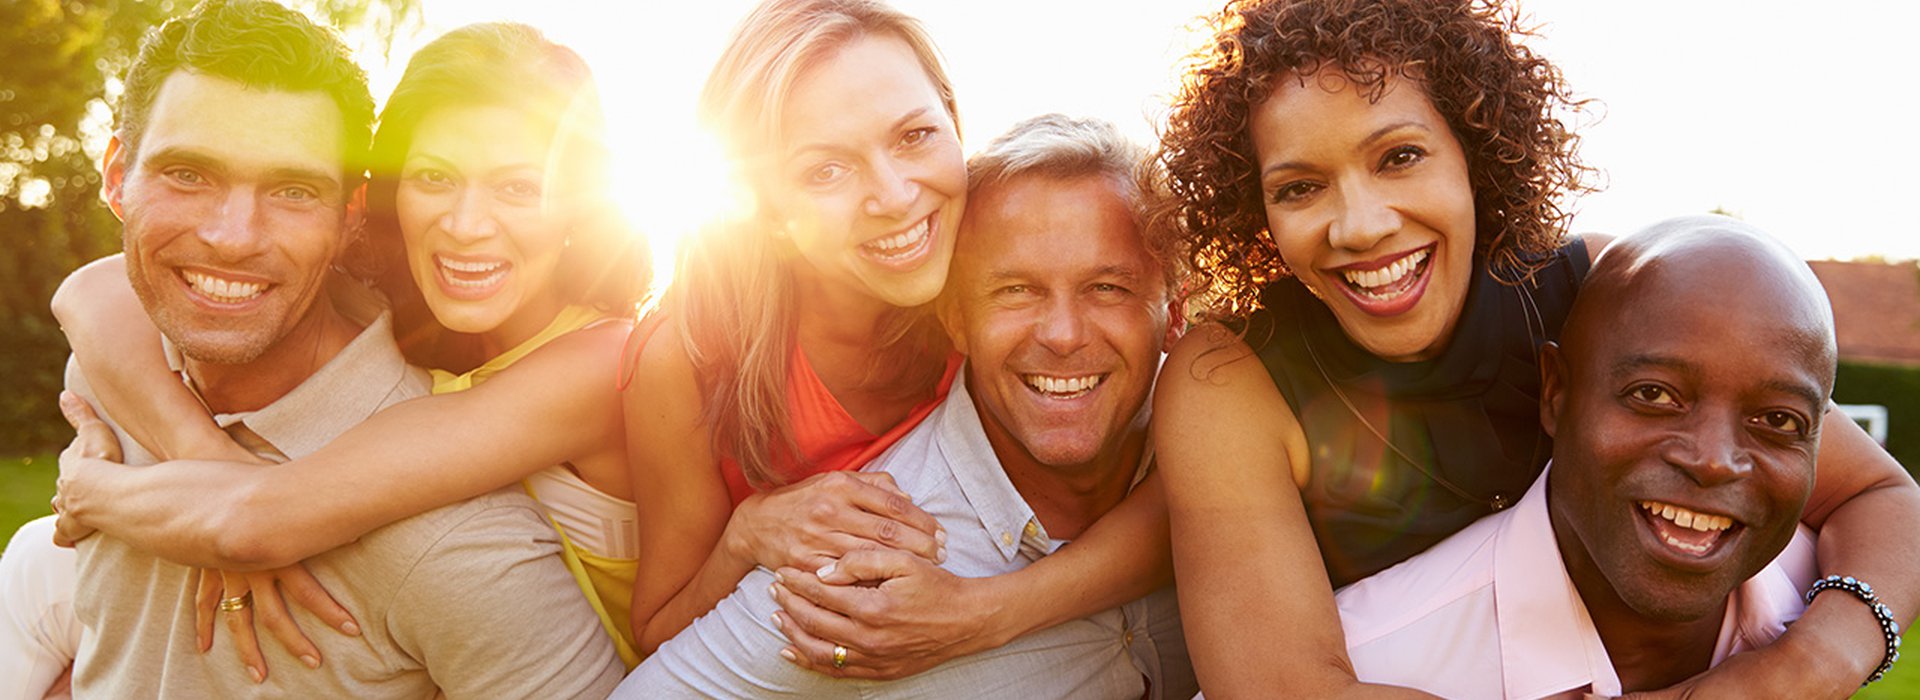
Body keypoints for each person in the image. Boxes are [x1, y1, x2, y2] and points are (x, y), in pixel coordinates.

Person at [1149, 0, 1920, 695]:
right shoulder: (1232, 379)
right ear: (1256, 211)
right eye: (1299, 188)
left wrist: (1812, 660)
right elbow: (1286, 692)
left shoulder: (1601, 290)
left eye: (1401, 157)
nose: (1360, 225)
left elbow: (1880, 495)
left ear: (1476, 155)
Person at [21, 2, 625, 695]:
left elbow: (252, 521)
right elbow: (89, 293)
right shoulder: (121, 371)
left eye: (292, 189)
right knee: (30, 565)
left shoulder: (469, 528)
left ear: (348, 214)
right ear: (117, 174)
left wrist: (95, 492)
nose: (232, 236)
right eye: (189, 173)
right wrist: (201, 467)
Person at [622, 0, 1176, 677]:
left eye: (914, 136)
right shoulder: (694, 353)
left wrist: (986, 613)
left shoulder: (997, 262)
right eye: (826, 170)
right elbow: (658, 629)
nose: (894, 195)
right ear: (766, 212)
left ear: (952, 123)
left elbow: (1191, 486)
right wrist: (746, 534)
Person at [1336, 216, 1835, 697]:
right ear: (1556, 393)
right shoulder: (1369, 663)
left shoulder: (1824, 588)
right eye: (1654, 395)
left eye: (1778, 421)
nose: (1713, 461)